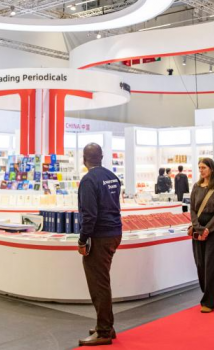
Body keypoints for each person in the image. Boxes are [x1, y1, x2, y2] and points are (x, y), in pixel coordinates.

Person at [77, 143, 122, 346]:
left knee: (98, 284)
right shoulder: (112, 177)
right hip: (114, 232)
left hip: (99, 236)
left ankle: (103, 330)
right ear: (102, 157)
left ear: (84, 159)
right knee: (102, 281)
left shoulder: (88, 180)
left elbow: (89, 215)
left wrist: (82, 239)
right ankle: (106, 326)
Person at [190, 157, 214, 313]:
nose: (201, 170)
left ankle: (210, 301)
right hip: (198, 226)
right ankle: (207, 291)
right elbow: (192, 209)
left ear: (211, 169)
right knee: (200, 263)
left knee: (211, 263)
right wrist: (198, 227)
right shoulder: (196, 186)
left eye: (203, 167)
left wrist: (208, 229)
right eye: (199, 167)